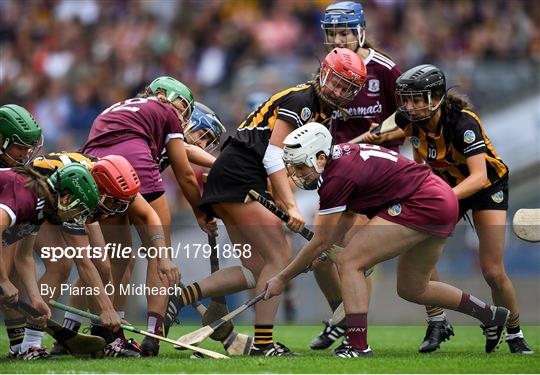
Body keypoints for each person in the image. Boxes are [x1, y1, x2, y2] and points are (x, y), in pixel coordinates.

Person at [165, 47, 367, 356]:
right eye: (335, 81)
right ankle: (263, 344)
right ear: (323, 73)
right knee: (280, 259)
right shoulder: (303, 102)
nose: (337, 90)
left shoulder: (326, 114)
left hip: (240, 178)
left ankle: (180, 297)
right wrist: (290, 206)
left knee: (254, 270)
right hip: (240, 176)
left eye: (346, 87)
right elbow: (274, 154)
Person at [264, 123, 510, 358]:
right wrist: (324, 247)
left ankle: (358, 345)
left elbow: (320, 240)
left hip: (423, 202)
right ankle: (491, 315)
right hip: (441, 200)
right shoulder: (338, 160)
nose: (295, 174)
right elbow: (347, 218)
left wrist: (282, 278)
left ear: (319, 158)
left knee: (350, 262)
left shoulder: (335, 179)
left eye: (299, 167)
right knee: (413, 288)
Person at [359, 64, 533, 354]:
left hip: (485, 188)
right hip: (444, 188)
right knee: (416, 250)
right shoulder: (409, 119)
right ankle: (437, 320)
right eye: (407, 99)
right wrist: (377, 137)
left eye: (417, 99)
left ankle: (514, 333)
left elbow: (478, 177)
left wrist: (444, 199)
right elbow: (406, 150)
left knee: (492, 270)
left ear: (437, 97)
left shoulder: (463, 124)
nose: (410, 106)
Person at [81, 76, 216, 357]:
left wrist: (219, 162)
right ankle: (154, 335)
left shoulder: (121, 107)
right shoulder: (166, 112)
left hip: (95, 169)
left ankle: (108, 334)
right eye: (185, 108)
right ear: (168, 96)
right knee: (159, 252)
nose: (184, 116)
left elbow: (189, 152)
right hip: (132, 166)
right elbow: (187, 175)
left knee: (113, 259)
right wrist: (201, 212)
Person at [310, 1, 407, 352]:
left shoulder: (385, 70)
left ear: (361, 31)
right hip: (338, 173)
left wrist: (382, 136)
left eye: (345, 32)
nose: (339, 38)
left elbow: (407, 122)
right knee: (318, 253)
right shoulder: (327, 70)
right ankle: (340, 314)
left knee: (356, 254)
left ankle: (357, 331)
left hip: (377, 176)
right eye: (333, 33)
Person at [1, 143, 101, 360]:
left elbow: (24, 257)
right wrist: (3, 280)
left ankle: (24, 346)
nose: (77, 218)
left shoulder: (40, 207)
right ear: (65, 199)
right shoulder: (29, 197)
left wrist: (36, 298)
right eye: (78, 209)